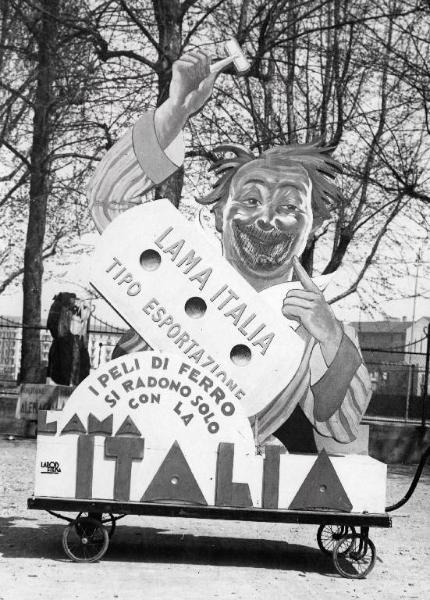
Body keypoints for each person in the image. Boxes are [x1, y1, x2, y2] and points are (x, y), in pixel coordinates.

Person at [88, 50, 372, 451]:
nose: (267, 219)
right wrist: (176, 110)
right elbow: (108, 203)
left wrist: (330, 340)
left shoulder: (320, 329)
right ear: (220, 213)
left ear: (315, 225)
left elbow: (341, 429)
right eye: (251, 201)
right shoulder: (174, 267)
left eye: (290, 207)